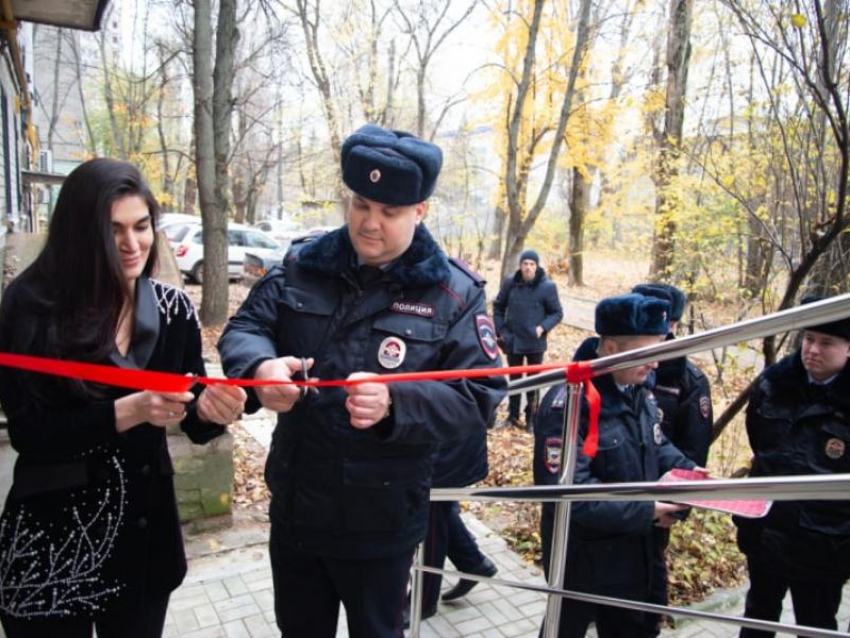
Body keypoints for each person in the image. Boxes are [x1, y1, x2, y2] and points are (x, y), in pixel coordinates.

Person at [217, 124, 506, 638]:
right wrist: (260, 368)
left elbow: (481, 394)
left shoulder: (454, 292)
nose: (369, 224)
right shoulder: (306, 263)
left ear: (420, 211)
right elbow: (246, 327)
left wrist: (397, 402)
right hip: (298, 512)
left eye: (389, 212)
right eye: (360, 205)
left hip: (383, 524)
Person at [0, 158, 247, 638]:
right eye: (113, 230)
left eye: (142, 226)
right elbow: (31, 435)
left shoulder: (172, 309)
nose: (132, 245)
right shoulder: (30, 307)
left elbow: (194, 414)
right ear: (79, 233)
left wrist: (215, 411)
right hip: (52, 546)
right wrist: (128, 410)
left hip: (141, 540)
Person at [533, 292, 697, 637]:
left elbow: (655, 443)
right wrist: (648, 510)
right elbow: (567, 494)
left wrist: (689, 473)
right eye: (647, 352)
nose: (656, 363)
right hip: (580, 559)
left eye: (661, 349)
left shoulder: (637, 388)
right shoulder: (571, 403)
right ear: (610, 349)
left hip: (631, 552)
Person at [735, 295, 850, 637]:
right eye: (809, 339)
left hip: (825, 543)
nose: (812, 349)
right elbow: (758, 440)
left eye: (826, 342)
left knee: (816, 624)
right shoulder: (775, 383)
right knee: (757, 615)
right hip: (766, 531)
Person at [632, 283, 713, 635]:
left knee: (650, 569)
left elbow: (694, 450)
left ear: (673, 326)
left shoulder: (689, 381)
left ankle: (650, 623)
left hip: (658, 496)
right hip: (619, 491)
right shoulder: (621, 366)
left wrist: (678, 505)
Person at [493, 249, 563, 430]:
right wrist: (501, 331)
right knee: (515, 378)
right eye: (525, 264)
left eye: (532, 264)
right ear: (520, 265)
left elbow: (557, 313)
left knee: (534, 380)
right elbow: (498, 306)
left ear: (537, 266)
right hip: (513, 339)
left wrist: (542, 327)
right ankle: (512, 416)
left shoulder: (547, 286)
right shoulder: (510, 283)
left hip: (535, 341)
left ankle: (531, 417)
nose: (528, 268)